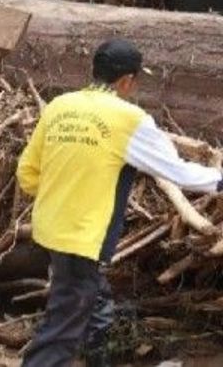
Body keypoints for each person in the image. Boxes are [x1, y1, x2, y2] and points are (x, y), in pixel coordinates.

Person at [17, 39, 223, 367]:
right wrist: (219, 180)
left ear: (93, 71)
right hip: (84, 239)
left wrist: (64, 195)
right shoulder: (128, 118)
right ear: (127, 80)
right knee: (61, 333)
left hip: (52, 229)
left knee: (91, 305)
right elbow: (175, 170)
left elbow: (27, 173)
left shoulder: (59, 106)